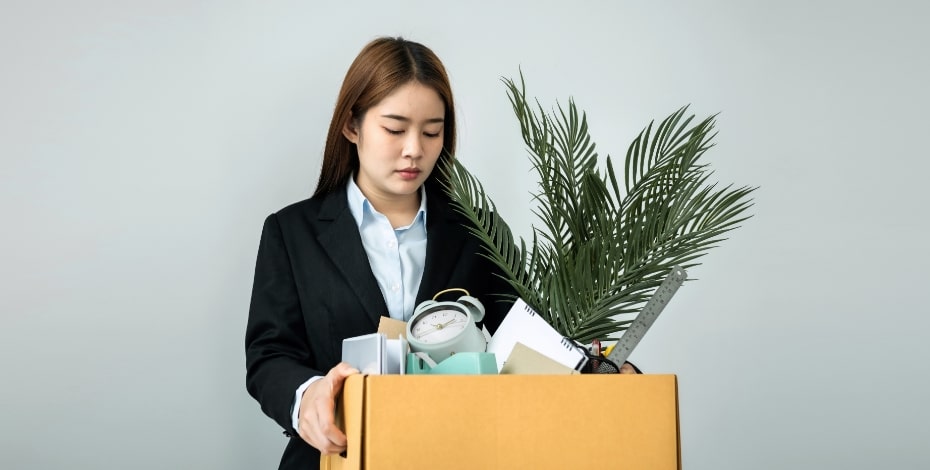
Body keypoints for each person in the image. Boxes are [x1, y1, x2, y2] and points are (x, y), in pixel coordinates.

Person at [244, 37, 518, 469]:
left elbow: (520, 340)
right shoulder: (291, 232)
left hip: (461, 455)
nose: (415, 149)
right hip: (338, 455)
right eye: (394, 129)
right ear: (352, 126)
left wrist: (598, 368)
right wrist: (308, 395)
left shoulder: (478, 230)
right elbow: (269, 355)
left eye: (432, 131)